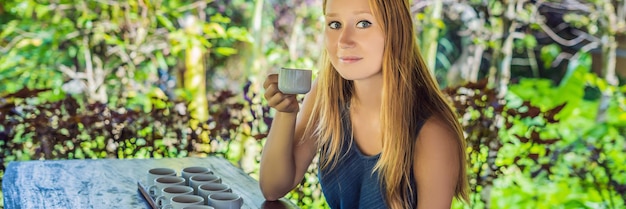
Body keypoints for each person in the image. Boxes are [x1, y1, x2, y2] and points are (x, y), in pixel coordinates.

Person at [259, 0, 469, 208]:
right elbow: (273, 187)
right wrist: (286, 113)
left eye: (363, 23)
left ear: (397, 29)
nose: (343, 40)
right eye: (335, 24)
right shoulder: (327, 93)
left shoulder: (433, 134)